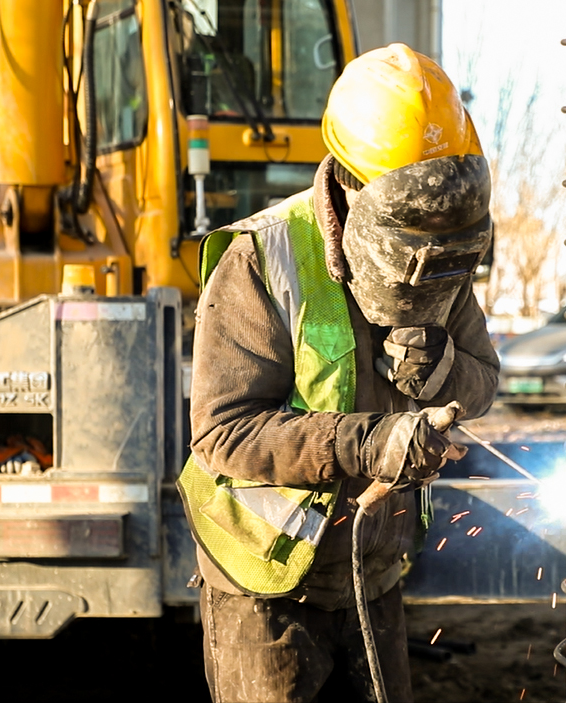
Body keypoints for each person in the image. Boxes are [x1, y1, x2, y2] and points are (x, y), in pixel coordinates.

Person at [177, 43, 499, 703]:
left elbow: (482, 381)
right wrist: (368, 442)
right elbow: (223, 432)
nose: (428, 242)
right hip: (264, 584)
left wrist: (441, 369)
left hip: (372, 575)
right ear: (352, 184)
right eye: (411, 223)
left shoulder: (442, 253)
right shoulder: (261, 259)